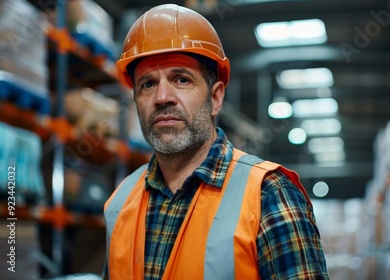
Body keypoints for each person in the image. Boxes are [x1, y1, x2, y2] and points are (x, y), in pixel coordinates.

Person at [103, 4, 330, 280]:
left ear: (217, 98)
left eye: (181, 79)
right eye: (147, 84)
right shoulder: (120, 201)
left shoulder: (269, 195)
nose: (162, 96)